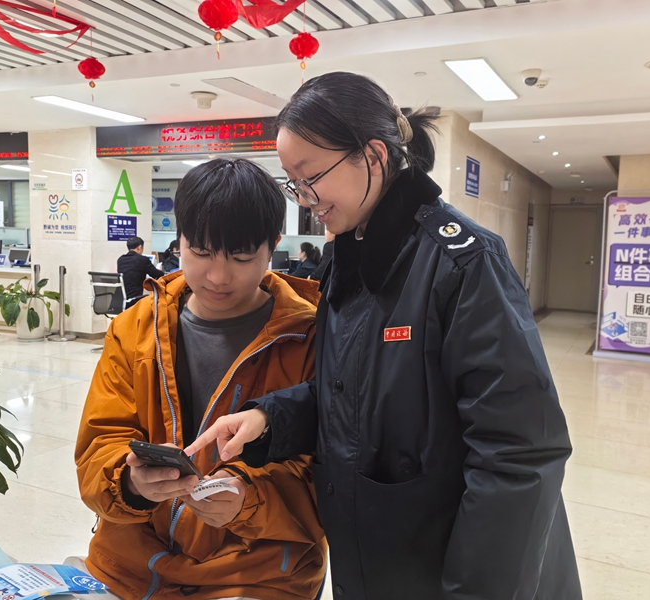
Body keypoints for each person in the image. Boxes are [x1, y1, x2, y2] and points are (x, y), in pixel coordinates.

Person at [188, 72, 582, 600]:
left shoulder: (461, 263)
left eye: (312, 177)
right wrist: (269, 419)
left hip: (457, 576)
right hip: (378, 564)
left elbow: (519, 453)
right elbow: (352, 393)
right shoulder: (347, 260)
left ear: (373, 157)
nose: (305, 199)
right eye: (293, 183)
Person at [75, 158, 327, 600]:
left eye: (242, 257)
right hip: (131, 564)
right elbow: (100, 445)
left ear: (274, 245)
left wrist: (246, 499)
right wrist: (131, 486)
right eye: (201, 251)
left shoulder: (312, 336)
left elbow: (329, 478)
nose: (217, 276)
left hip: (256, 572)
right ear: (180, 239)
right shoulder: (135, 328)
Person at [117, 236, 164, 306]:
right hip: (134, 300)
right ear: (139, 247)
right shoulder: (143, 260)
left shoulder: (120, 260)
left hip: (120, 301)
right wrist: (160, 270)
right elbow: (157, 274)